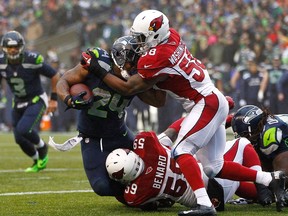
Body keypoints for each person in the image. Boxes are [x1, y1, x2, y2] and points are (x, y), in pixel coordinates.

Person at [81, 9, 287, 215]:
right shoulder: (172, 36)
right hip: (212, 97)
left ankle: (205, 205)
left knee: (181, 151)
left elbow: (129, 88)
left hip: (205, 102)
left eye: (142, 38)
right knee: (213, 167)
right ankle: (270, 178)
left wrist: (97, 69)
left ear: (154, 35)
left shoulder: (157, 56)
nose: (139, 42)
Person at [56, 35, 166, 197]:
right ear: (121, 58)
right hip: (92, 136)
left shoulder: (135, 76)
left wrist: (159, 76)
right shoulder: (97, 62)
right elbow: (63, 81)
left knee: (154, 162)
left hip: (119, 132)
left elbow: (159, 101)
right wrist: (68, 100)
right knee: (102, 187)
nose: (138, 62)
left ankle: (162, 191)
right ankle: (138, 196)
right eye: (135, 57)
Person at [105, 117, 274, 211]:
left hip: (205, 198)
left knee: (234, 183)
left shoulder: (135, 195)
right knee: (243, 143)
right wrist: (220, 118)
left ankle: (266, 194)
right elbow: (177, 127)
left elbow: (156, 204)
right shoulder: (148, 145)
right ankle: (263, 184)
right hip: (211, 181)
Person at [0, 30, 59, 172]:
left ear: (21, 47)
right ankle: (36, 160)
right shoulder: (1, 62)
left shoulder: (32, 59)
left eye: (15, 47)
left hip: (36, 100)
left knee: (24, 129)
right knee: (19, 139)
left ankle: (42, 147)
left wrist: (54, 99)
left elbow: (54, 75)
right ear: (4, 48)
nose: (13, 50)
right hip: (18, 101)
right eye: (9, 47)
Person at [231, 105, 288, 188]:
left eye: (245, 134)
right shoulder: (264, 126)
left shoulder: (269, 132)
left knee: (278, 171)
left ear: (252, 128)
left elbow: (281, 171)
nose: (245, 138)